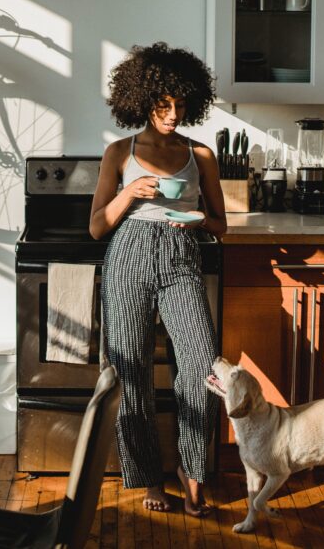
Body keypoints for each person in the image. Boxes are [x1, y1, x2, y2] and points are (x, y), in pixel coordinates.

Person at [89, 42, 226, 517]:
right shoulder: (119, 152)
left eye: (180, 105)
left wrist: (195, 220)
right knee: (133, 375)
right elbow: (97, 226)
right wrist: (130, 192)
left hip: (182, 259)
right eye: (163, 105)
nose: (172, 114)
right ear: (143, 102)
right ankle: (149, 479)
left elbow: (221, 224)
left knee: (202, 367)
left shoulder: (200, 153)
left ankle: (193, 480)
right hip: (128, 257)